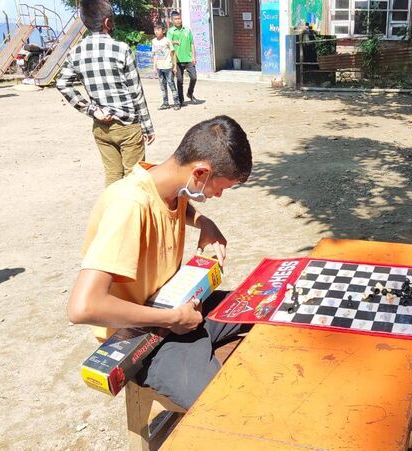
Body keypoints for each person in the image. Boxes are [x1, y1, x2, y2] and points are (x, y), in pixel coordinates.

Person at [67, 115, 253, 410]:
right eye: (220, 188)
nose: (217, 195)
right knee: (224, 409)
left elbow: (175, 205)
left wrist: (204, 221)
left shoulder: (168, 184)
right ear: (200, 173)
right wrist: (173, 320)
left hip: (178, 309)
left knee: (267, 306)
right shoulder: (128, 205)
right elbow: (82, 307)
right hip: (142, 337)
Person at [56, 0, 155, 186]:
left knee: (113, 177)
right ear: (108, 23)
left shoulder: (75, 52)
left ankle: (112, 213)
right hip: (128, 125)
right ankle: (130, 215)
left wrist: (91, 110)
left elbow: (62, 83)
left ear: (85, 23)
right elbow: (136, 92)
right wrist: (147, 127)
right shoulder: (121, 49)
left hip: (101, 126)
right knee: (135, 179)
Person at [167, 11, 199, 106]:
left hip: (188, 58)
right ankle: (181, 100)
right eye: (176, 19)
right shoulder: (171, 31)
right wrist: (173, 41)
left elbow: (192, 44)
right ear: (172, 20)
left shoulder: (187, 30)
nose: (178, 20)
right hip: (177, 60)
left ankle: (190, 93)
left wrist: (194, 56)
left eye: (179, 18)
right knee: (180, 80)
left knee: (194, 77)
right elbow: (167, 43)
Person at [152, 22, 180, 111]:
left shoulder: (167, 41)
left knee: (171, 84)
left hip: (168, 66)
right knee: (162, 86)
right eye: (155, 29)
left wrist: (174, 66)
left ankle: (176, 103)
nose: (156, 31)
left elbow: (173, 53)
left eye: (158, 29)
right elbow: (155, 55)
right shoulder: (154, 41)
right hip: (159, 67)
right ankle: (165, 103)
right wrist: (154, 67)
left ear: (163, 31)